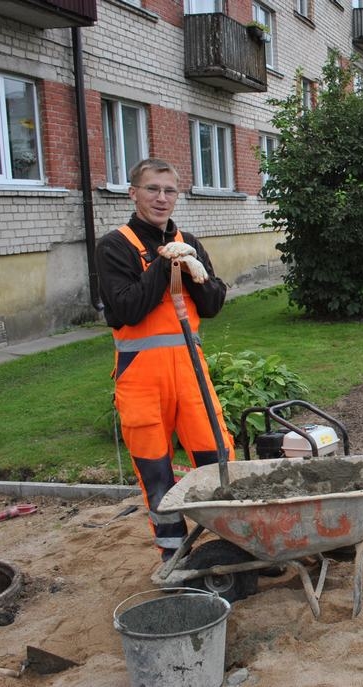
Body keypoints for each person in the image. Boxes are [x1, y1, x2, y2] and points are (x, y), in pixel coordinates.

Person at [95, 158, 234, 561]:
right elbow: (127, 309)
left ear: (178, 195)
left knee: (217, 458)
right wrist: (164, 262)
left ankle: (236, 541)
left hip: (191, 373)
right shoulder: (114, 246)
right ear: (133, 192)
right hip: (141, 379)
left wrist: (192, 268)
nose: (161, 198)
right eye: (152, 189)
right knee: (156, 474)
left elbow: (211, 304)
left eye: (169, 190)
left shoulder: (188, 240)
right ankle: (173, 557)